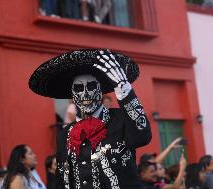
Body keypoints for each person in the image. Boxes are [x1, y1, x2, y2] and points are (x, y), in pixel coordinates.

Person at [29, 49, 152, 189]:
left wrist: (124, 90)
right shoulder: (64, 134)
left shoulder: (121, 118)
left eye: (91, 87)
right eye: (79, 88)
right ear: (73, 95)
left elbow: (142, 137)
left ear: (100, 91)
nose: (86, 94)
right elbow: (62, 180)